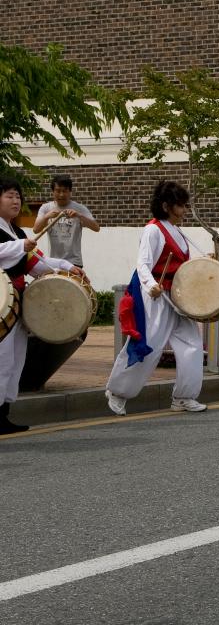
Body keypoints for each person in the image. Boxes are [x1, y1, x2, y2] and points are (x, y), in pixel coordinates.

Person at [105, 180, 207, 416]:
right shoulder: (153, 229)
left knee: (191, 345)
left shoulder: (178, 231)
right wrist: (151, 285)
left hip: (178, 297)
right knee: (148, 347)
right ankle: (118, 392)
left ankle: (184, 396)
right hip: (157, 295)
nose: (183, 211)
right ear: (165, 205)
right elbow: (143, 263)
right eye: (180, 206)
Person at [0, 174, 84, 433]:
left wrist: (67, 267)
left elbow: (35, 262)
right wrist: (19, 247)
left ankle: (3, 413)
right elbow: (11, 252)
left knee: (14, 360)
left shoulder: (16, 231)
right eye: (9, 195)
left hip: (17, 303)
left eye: (18, 196)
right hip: (0, 302)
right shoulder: (14, 237)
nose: (16, 200)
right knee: (1, 360)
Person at [33, 173, 99, 269]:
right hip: (54, 261)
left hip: (74, 261)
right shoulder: (46, 208)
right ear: (52, 191)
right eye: (58, 191)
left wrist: (79, 215)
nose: (61, 194)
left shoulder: (79, 208)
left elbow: (96, 228)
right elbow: (36, 229)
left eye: (65, 191)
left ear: (70, 192)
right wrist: (47, 216)